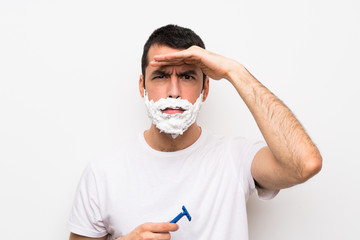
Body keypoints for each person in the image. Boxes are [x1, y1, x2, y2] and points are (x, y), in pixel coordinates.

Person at [68, 24, 322, 240]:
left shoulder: (236, 158)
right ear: (142, 87)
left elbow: (305, 164)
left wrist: (234, 71)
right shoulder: (102, 173)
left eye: (188, 76)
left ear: (205, 89)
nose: (174, 92)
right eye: (161, 76)